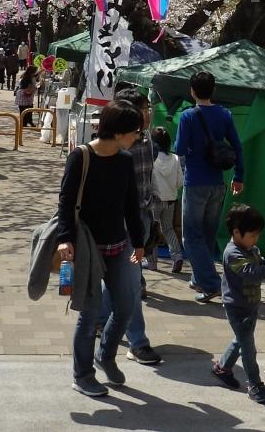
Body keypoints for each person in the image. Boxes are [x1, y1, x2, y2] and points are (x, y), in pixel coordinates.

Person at [55, 100, 146, 398]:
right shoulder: (81, 157)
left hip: (120, 246)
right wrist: (65, 238)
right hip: (87, 249)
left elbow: (131, 205)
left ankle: (105, 355)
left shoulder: (125, 160)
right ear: (119, 132)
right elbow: (66, 202)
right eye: (135, 132)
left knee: (125, 306)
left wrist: (139, 242)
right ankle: (82, 375)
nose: (138, 137)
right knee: (90, 315)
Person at [96, 89, 162, 367]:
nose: (147, 115)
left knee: (120, 279)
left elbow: (148, 176)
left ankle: (100, 319)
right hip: (119, 223)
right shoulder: (114, 147)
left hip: (141, 217)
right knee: (132, 283)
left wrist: (153, 208)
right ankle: (137, 342)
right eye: (142, 110)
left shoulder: (145, 138)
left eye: (148, 109)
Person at [173, 70, 245, 302]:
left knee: (191, 238)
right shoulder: (224, 114)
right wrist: (238, 176)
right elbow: (237, 146)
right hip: (217, 183)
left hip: (195, 182)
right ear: (213, 90)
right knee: (207, 235)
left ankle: (212, 284)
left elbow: (180, 149)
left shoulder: (187, 116)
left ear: (192, 91)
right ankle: (199, 280)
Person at [210, 204, 265, 405]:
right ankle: (255, 384)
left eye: (258, 235)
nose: (256, 239)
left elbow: (260, 265)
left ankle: (222, 368)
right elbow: (251, 273)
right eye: (253, 235)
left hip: (250, 304)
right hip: (237, 307)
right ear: (236, 232)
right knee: (248, 347)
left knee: (241, 340)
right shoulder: (232, 254)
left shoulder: (251, 249)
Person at [149, 126, 185, 273]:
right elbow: (180, 182)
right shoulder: (175, 159)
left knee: (151, 230)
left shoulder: (151, 158)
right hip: (170, 200)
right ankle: (177, 257)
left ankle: (152, 262)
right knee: (168, 229)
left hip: (154, 200)